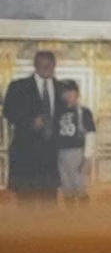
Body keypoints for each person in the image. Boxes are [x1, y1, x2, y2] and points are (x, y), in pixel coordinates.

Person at [2, 47, 56, 201]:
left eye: (49, 65)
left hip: (51, 159)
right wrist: (29, 121)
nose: (46, 68)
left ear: (54, 65)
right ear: (35, 65)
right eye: (42, 64)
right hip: (26, 154)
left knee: (50, 205)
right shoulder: (18, 86)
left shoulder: (62, 88)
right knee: (26, 202)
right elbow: (8, 111)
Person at [54, 78, 92, 201]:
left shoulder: (83, 112)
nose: (68, 95)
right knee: (66, 187)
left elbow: (91, 135)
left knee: (79, 186)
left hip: (77, 152)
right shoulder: (57, 111)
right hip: (60, 152)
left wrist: (86, 158)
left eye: (71, 92)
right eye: (65, 92)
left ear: (77, 93)